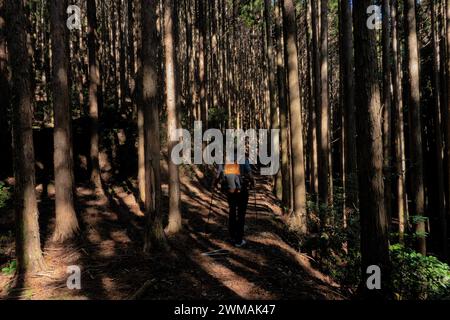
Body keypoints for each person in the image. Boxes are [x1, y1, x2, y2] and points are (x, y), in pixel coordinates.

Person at [213, 151, 254, 247]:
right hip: (242, 190)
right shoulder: (243, 159)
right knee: (241, 214)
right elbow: (249, 174)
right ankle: (239, 240)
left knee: (232, 211)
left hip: (230, 190)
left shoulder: (224, 160)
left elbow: (218, 175)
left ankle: (232, 235)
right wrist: (253, 183)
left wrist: (215, 184)